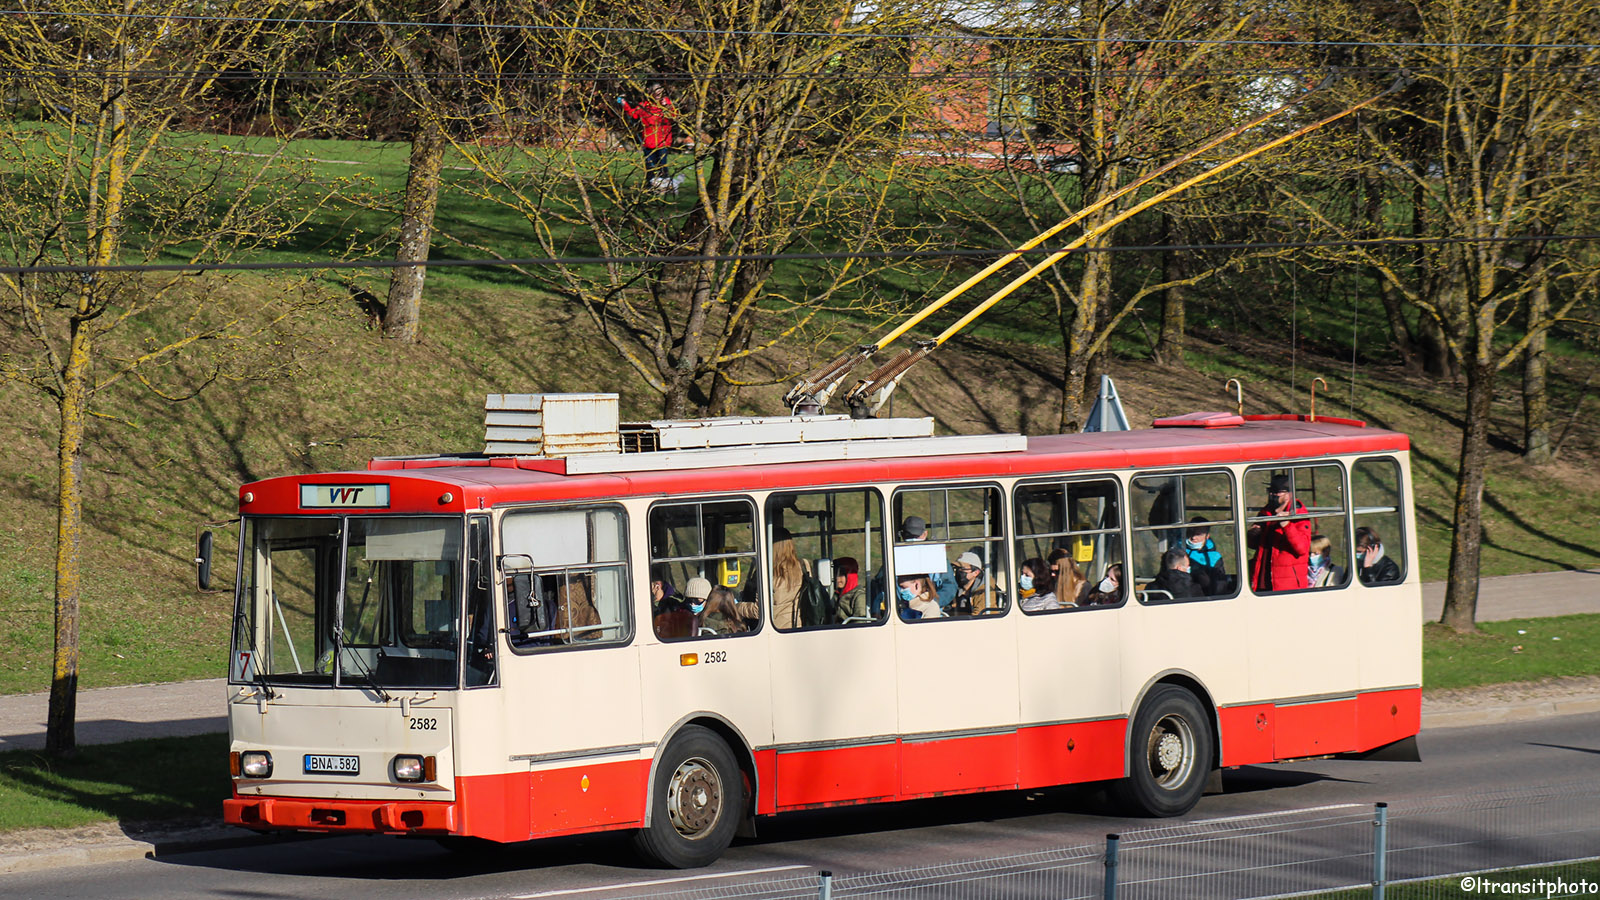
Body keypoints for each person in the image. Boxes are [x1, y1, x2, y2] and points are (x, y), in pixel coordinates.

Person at [1247, 474, 1311, 592]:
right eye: (1270, 491)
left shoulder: (1298, 513)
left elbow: (1302, 548)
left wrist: (1286, 524)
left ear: (1289, 494)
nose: (1273, 495)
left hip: (1287, 585)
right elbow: (1253, 544)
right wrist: (1253, 533)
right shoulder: (1266, 512)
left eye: (1277, 491)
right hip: (1262, 579)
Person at [617, 80, 677, 195]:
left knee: (662, 167)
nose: (658, 93)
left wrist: (667, 107)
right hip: (648, 142)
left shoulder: (666, 104)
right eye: (656, 91)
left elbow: (674, 116)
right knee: (650, 167)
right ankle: (650, 188)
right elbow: (633, 114)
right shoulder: (645, 106)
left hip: (662, 142)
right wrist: (624, 104)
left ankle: (665, 188)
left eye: (660, 90)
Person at [899, 515, 958, 609]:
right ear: (902, 535)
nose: (913, 539)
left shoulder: (937, 556)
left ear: (925, 534)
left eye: (916, 536)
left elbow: (949, 587)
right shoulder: (896, 556)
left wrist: (931, 602)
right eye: (908, 535)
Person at [770, 527, 809, 629]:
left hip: (777, 628)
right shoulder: (803, 565)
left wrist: (738, 607)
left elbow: (758, 611)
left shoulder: (768, 573)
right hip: (803, 625)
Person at [1182, 518, 1229, 595]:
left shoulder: (1214, 558)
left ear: (1207, 536)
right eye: (1191, 532)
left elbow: (1220, 587)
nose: (1193, 537)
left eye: (1198, 534)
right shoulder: (1178, 550)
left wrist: (1206, 582)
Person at [951, 551, 1005, 615]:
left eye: (962, 568)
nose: (958, 571)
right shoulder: (954, 587)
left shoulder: (985, 590)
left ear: (976, 572)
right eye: (956, 568)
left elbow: (979, 616)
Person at [832, 556, 868, 623]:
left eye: (841, 574)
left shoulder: (860, 596)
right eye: (835, 574)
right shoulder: (834, 596)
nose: (837, 578)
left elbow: (860, 624)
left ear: (850, 576)